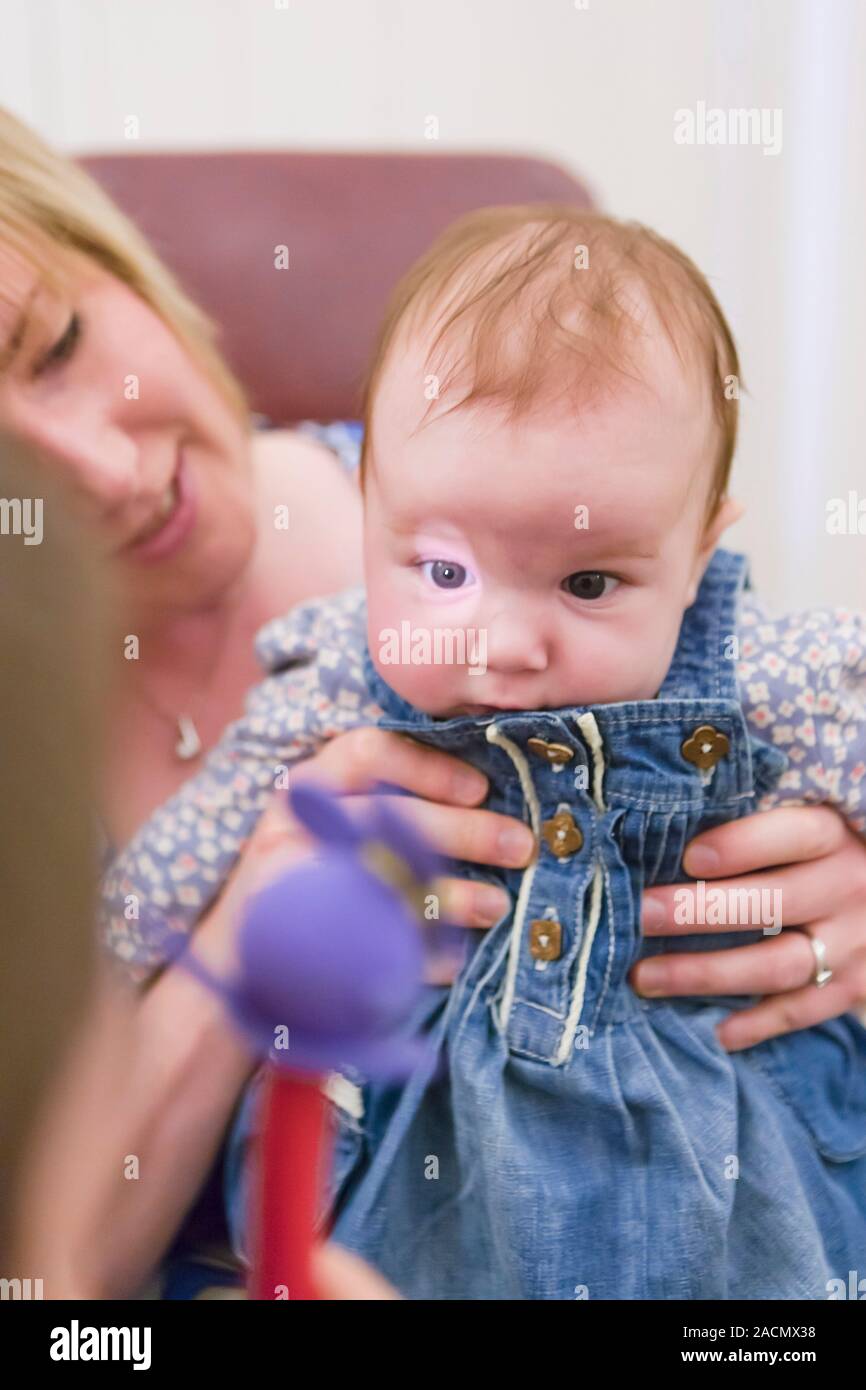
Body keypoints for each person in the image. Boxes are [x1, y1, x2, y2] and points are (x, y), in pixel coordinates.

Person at [1, 104, 864, 1295]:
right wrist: (216, 934)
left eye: (50, 345)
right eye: (446, 571)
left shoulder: (503, 459)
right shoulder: (331, 667)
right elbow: (44, 1273)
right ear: (377, 511)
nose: (506, 645)